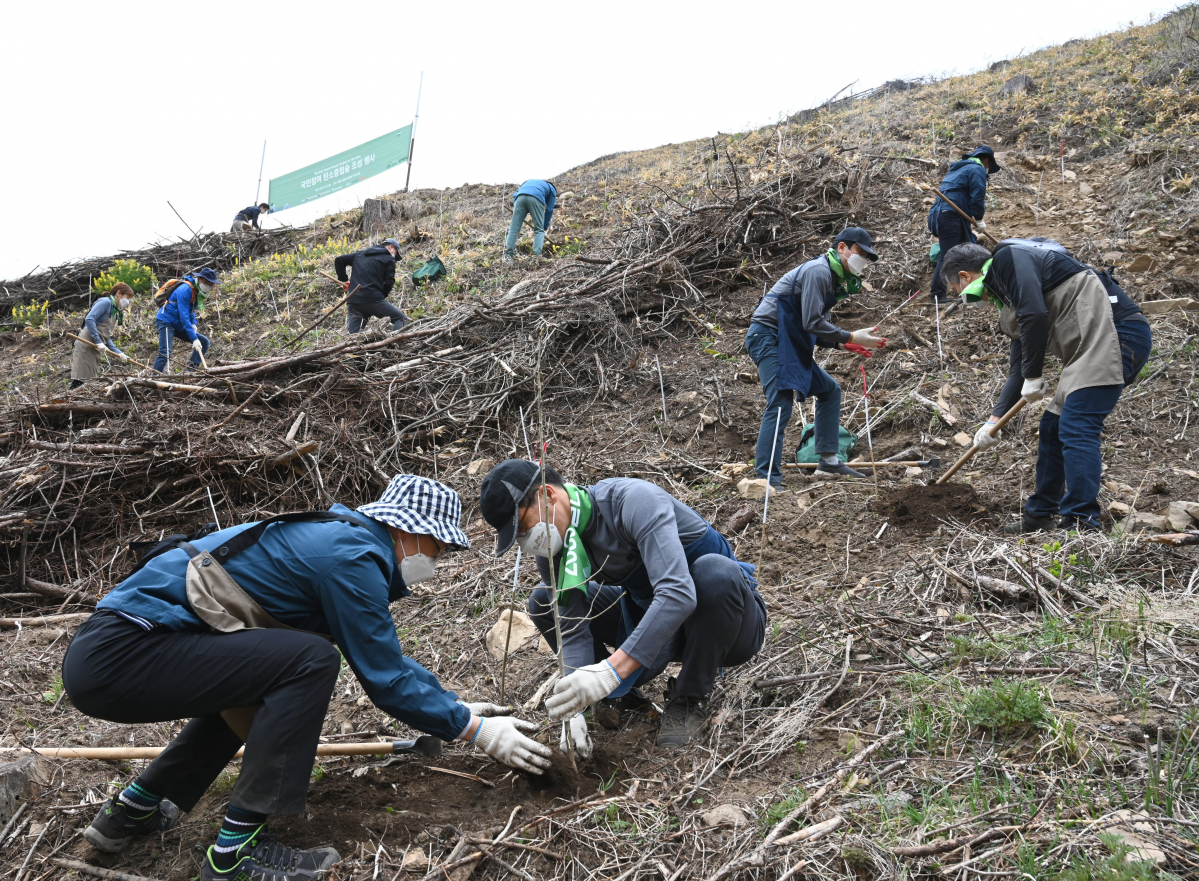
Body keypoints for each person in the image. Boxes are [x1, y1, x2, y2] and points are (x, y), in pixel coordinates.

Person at [64, 474, 550, 881]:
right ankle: (237, 853)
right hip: (124, 652)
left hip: (111, 652)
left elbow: (383, 657)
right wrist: (475, 730)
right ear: (407, 531)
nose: (436, 560)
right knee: (311, 659)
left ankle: (132, 810)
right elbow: (384, 678)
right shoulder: (353, 558)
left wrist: (455, 708)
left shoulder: (341, 539)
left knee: (261, 673)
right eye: (438, 547)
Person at [479, 460, 767, 750]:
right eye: (518, 537)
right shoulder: (554, 549)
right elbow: (572, 628)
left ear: (548, 495)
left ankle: (690, 696)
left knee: (715, 572)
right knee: (544, 601)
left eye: (524, 526)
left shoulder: (633, 502)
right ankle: (612, 697)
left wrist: (611, 671)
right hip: (654, 620)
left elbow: (677, 593)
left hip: (726, 624)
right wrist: (574, 706)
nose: (526, 541)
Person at [940, 240, 1152, 532]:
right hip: (1087, 350)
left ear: (964, 277)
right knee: (1053, 429)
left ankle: (1080, 521)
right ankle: (1039, 516)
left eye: (957, 290)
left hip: (1117, 335)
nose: (964, 297)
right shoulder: (1011, 297)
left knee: (1076, 426)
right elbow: (1018, 369)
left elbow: (1035, 315)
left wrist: (1034, 375)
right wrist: (993, 423)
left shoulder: (1010, 257)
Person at [744, 227, 886, 487]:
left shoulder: (833, 278)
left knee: (830, 391)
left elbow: (816, 328)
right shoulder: (818, 271)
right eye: (860, 252)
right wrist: (851, 336)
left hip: (789, 341)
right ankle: (767, 479)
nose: (863, 260)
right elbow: (811, 322)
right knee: (780, 402)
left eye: (867, 256)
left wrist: (845, 345)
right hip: (769, 338)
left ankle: (829, 461)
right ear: (841, 247)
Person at [928, 146, 1001, 303]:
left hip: (945, 215)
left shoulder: (958, 170)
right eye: (989, 165)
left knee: (964, 251)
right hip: (951, 215)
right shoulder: (977, 169)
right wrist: (979, 219)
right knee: (948, 255)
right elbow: (978, 194)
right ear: (986, 160)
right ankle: (937, 295)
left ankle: (970, 288)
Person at [333, 237, 407, 333]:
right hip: (373, 299)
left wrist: (343, 279)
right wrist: (381, 295)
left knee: (354, 336)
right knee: (401, 319)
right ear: (391, 247)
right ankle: (393, 342)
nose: (395, 257)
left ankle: (355, 347)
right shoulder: (389, 259)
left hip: (354, 300)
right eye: (396, 253)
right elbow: (389, 281)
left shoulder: (359, 254)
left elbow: (339, 260)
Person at [71, 282, 135, 389]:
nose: (127, 301)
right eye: (127, 297)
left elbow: (106, 336)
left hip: (94, 347)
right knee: (81, 379)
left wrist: (119, 353)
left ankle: (73, 402)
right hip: (86, 343)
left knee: (88, 380)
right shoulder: (105, 302)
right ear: (119, 293)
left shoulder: (114, 311)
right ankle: (67, 403)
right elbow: (89, 319)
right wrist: (98, 341)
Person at [153, 268, 217, 373]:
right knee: (165, 352)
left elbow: (191, 311)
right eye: (208, 282)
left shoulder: (196, 291)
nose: (209, 286)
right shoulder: (185, 289)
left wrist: (194, 324)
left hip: (177, 323)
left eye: (211, 284)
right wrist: (193, 338)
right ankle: (153, 377)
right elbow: (184, 315)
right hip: (166, 321)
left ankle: (190, 371)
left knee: (204, 342)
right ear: (200, 279)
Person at [503, 179, 557, 261]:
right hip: (536, 197)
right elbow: (549, 209)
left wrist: (520, 210)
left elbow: (515, 195)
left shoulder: (527, 182)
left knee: (513, 229)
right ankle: (536, 256)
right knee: (539, 230)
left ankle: (508, 255)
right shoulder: (552, 189)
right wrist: (544, 226)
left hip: (520, 198)